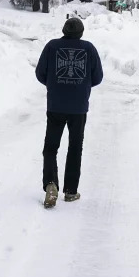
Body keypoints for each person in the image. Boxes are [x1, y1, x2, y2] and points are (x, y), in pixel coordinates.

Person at [34, 17, 104, 209]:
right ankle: (71, 191)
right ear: (81, 33)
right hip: (79, 108)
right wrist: (82, 85)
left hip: (55, 106)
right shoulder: (89, 48)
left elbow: (40, 73)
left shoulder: (51, 46)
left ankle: (51, 184)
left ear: (64, 30)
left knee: (51, 147)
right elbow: (97, 77)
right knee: (75, 148)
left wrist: (54, 84)